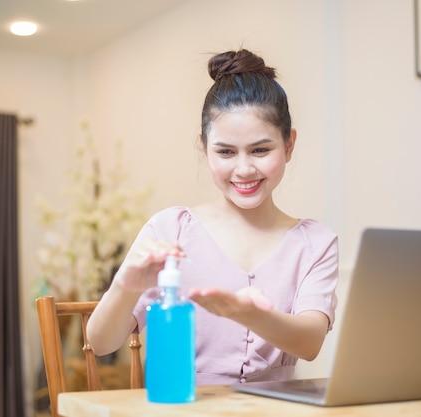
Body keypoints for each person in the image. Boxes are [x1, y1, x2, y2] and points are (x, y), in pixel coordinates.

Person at [86, 48, 339, 385]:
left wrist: (252, 316)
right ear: (204, 147)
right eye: (225, 152)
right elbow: (101, 343)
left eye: (261, 150)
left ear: (289, 145)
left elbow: (310, 343)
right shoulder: (170, 230)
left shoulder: (315, 243)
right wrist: (125, 286)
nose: (244, 168)